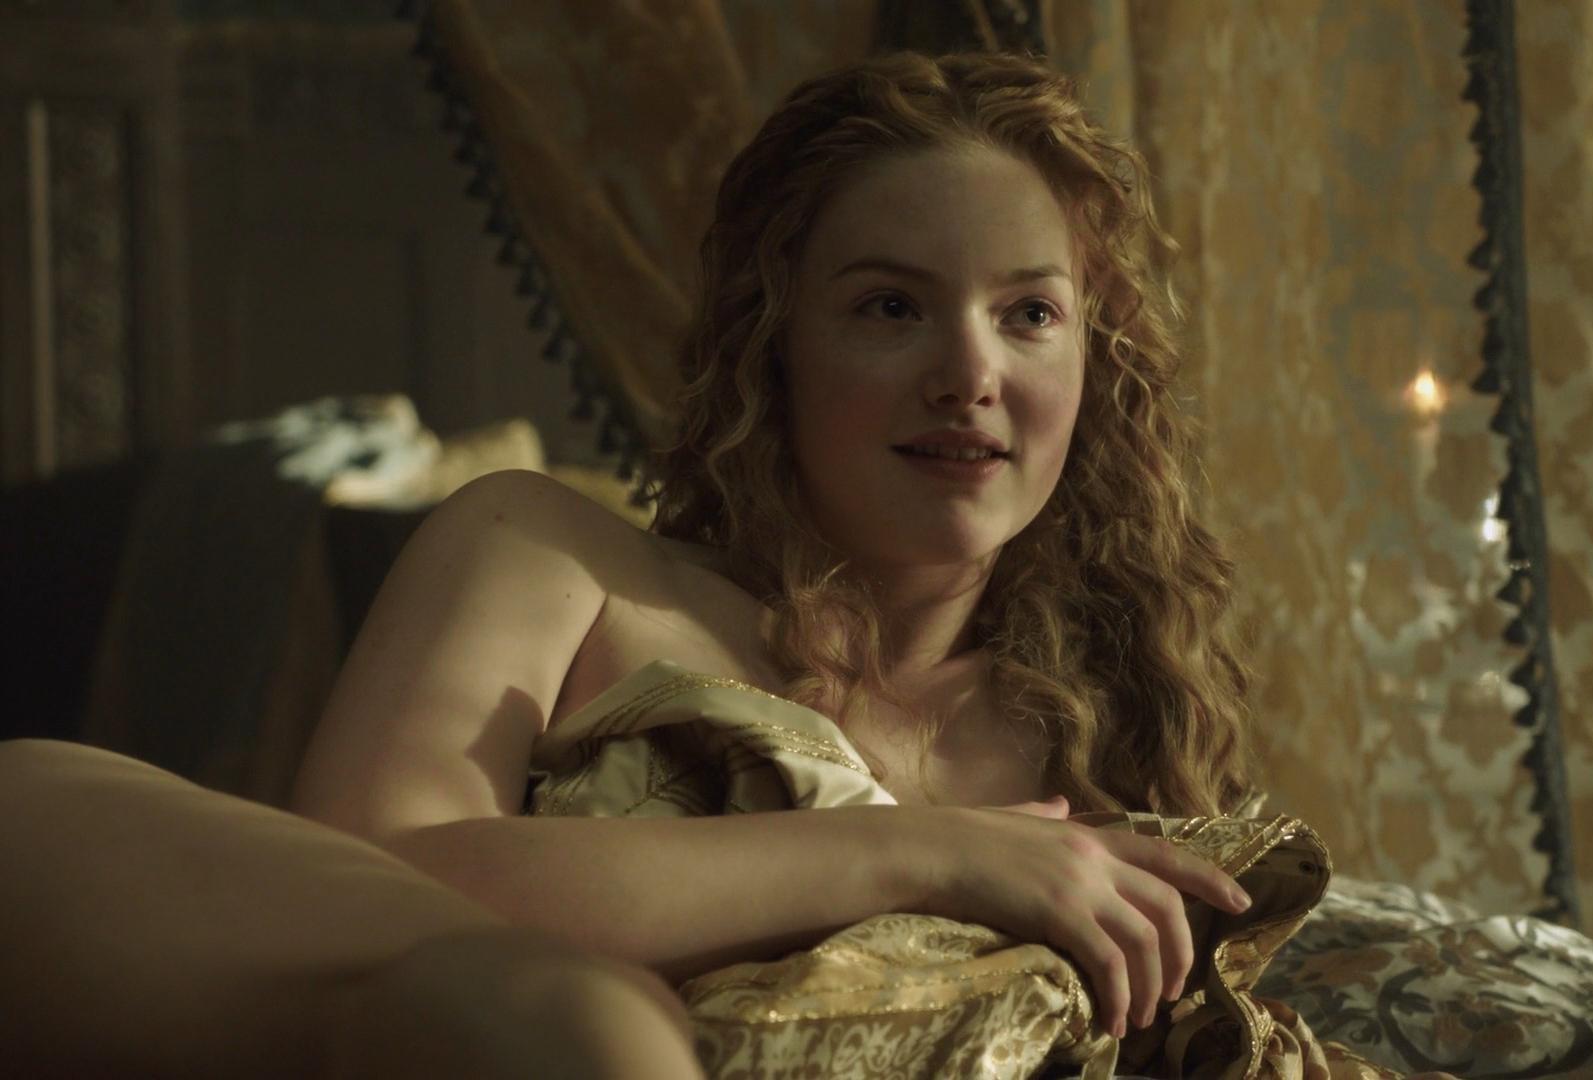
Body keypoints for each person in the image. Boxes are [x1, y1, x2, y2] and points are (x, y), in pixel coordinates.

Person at [0, 51, 1258, 1077]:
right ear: (775, 344)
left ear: (1092, 367)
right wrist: (929, 855)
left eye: (1029, 313)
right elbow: (368, 882)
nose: (969, 373)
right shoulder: (548, 555)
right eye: (889, 306)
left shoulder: (1109, 726)